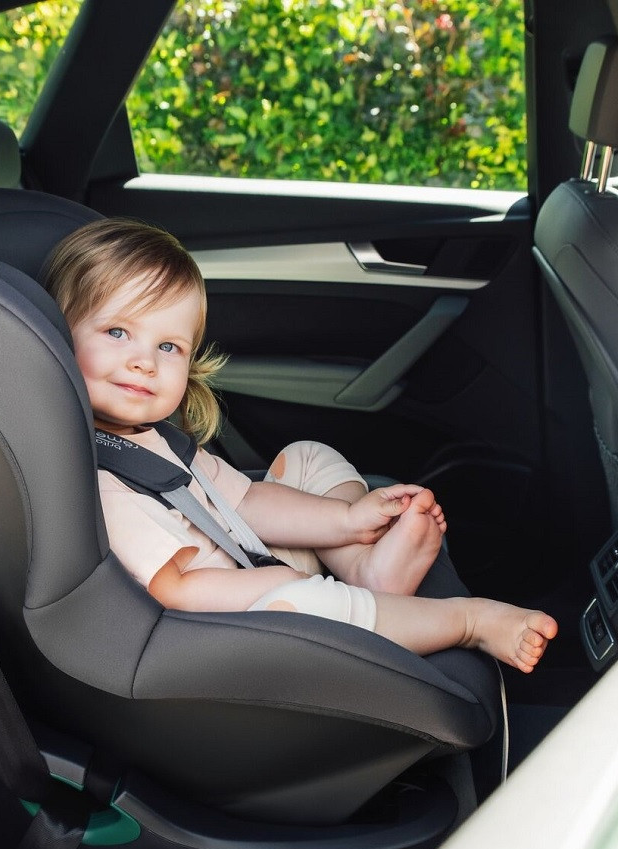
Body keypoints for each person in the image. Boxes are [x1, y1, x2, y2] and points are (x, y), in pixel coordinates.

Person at [42, 218, 557, 672]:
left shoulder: (155, 439)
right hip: (229, 620)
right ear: (56, 337)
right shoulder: (101, 483)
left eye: (169, 346)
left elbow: (245, 500)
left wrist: (348, 520)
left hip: (246, 559)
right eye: (117, 332)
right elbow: (177, 590)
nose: (145, 362)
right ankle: (466, 621)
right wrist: (285, 583)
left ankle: (367, 571)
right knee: (308, 603)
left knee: (307, 454)